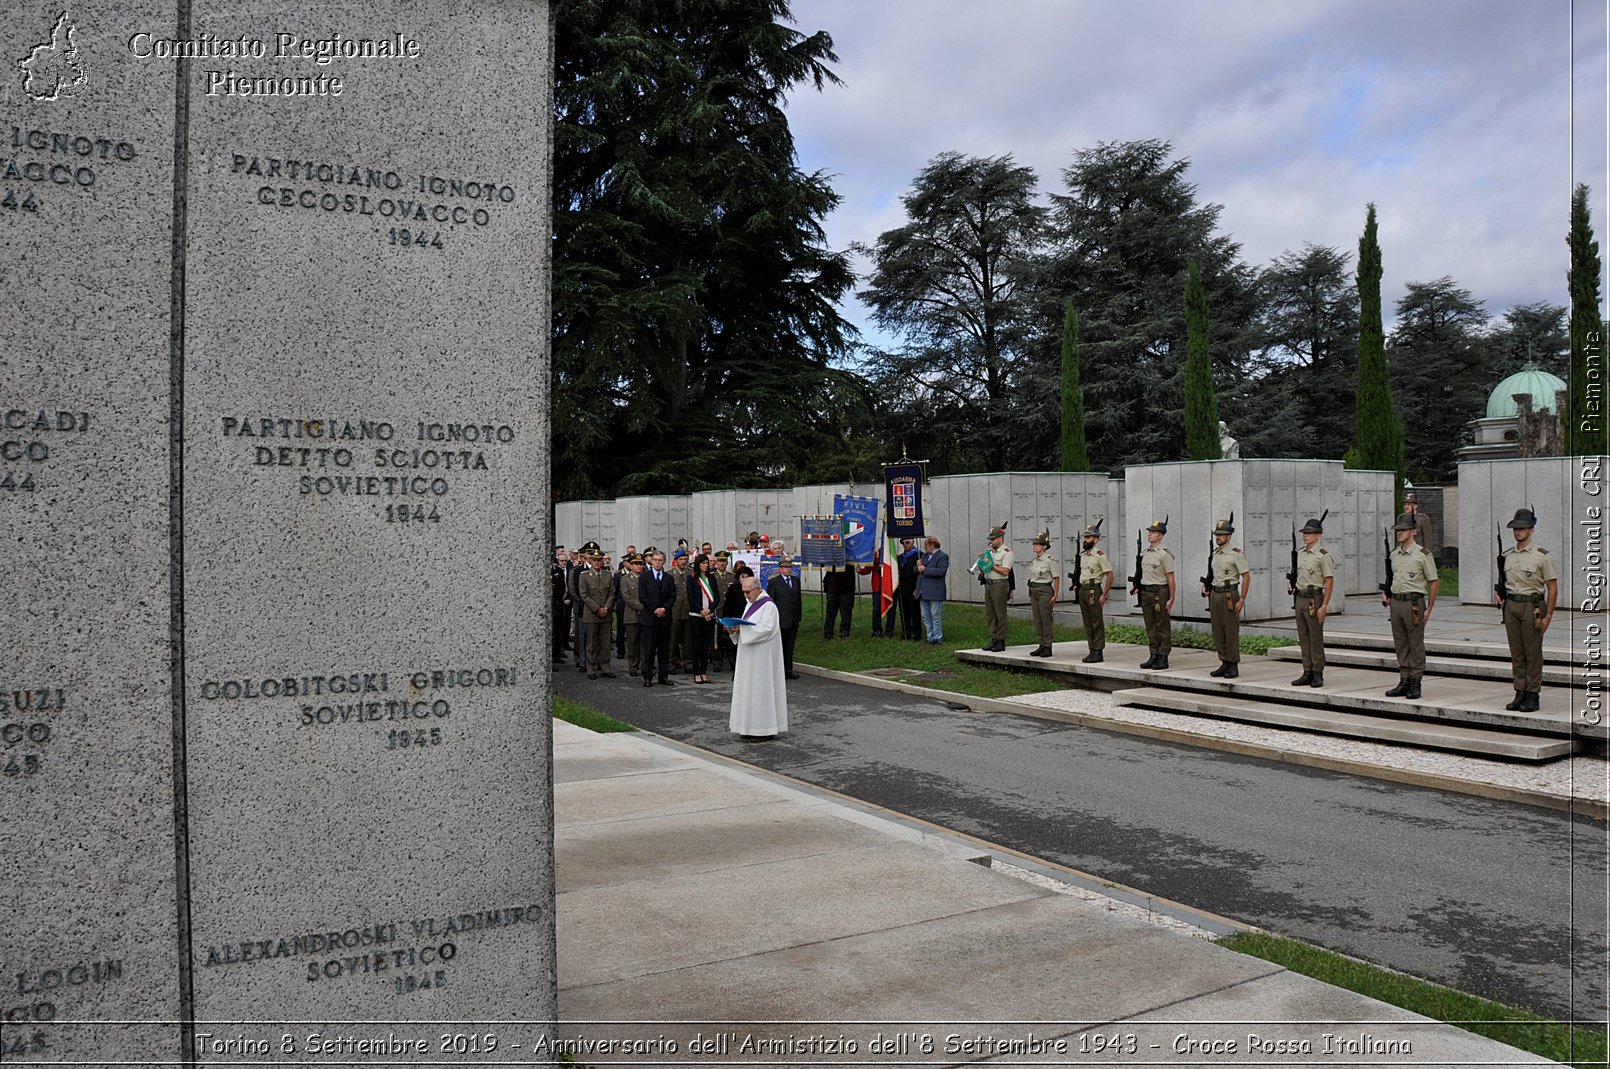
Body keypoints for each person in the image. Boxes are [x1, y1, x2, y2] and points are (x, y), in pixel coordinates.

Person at [1496, 507, 1557, 712]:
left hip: (1533, 607)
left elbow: (1552, 587)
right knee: (1517, 652)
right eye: (1515, 528)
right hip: (1512, 606)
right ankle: (1520, 691)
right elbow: (1505, 583)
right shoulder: (1508, 555)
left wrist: (1548, 615)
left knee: (1532, 653)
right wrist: (1500, 594)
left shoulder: (1542, 556)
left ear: (1531, 529)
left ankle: (1533, 694)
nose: (1518, 532)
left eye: (1522, 528)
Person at [1382, 512, 1439, 700]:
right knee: (1400, 642)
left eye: (1404, 530)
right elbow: (1392, 578)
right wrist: (1387, 592)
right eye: (1398, 530)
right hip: (1397, 602)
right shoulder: (1394, 555)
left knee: (1415, 643)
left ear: (1413, 532)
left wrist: (1429, 608)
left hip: (1414, 603)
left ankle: (1416, 681)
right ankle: (1404, 679)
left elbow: (1433, 582)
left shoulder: (1423, 555)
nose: (1399, 533)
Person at [728, 572, 787, 739]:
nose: (745, 596)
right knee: (747, 690)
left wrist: (743, 629)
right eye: (743, 592)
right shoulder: (750, 603)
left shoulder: (768, 606)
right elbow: (746, 624)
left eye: (748, 592)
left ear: (757, 589)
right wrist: (734, 629)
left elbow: (768, 629)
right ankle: (747, 727)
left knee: (761, 690)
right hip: (748, 655)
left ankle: (764, 729)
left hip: (763, 658)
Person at [1289, 513, 1334, 688]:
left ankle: (1317, 672)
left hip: (1314, 598)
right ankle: (1307, 671)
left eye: (1308, 533)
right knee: (1303, 637)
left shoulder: (1323, 556)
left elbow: (1329, 582)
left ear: (1318, 535)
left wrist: (1324, 606)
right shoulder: (1300, 553)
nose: (1305, 536)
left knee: (1315, 638)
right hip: (1300, 597)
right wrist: (1291, 583)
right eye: (1304, 533)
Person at [1204, 516, 1251, 679]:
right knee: (1218, 630)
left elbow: (1246, 577)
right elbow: (1213, 575)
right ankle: (1223, 661)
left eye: (1221, 535)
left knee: (1230, 630)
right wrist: (1207, 586)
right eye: (1217, 534)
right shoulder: (1215, 554)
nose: (1218, 537)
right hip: (1215, 593)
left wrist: (1242, 599)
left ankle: (1233, 664)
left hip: (1229, 594)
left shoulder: (1236, 554)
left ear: (1229, 536)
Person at [1073, 520, 1113, 663]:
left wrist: (1104, 594)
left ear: (1095, 540)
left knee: (1096, 621)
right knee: (1087, 621)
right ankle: (1091, 648)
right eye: (1085, 537)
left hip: (1094, 590)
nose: (1085, 540)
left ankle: (1098, 650)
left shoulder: (1099, 555)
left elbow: (1109, 574)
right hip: (1083, 590)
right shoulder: (1083, 555)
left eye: (1088, 537)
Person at [1137, 518, 1175, 670]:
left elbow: (1171, 578)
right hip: (1147, 592)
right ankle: (1153, 654)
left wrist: (1172, 598)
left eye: (1154, 532)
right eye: (1150, 532)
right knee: (1150, 624)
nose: (1150, 534)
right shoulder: (1145, 553)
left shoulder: (1164, 555)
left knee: (1162, 624)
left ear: (1161, 536)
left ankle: (1163, 656)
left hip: (1160, 592)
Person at [639, 549, 678, 687]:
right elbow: (642, 596)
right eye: (655, 560)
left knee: (664, 649)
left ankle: (663, 675)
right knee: (649, 649)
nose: (657, 562)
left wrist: (665, 608)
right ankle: (648, 676)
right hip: (650, 618)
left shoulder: (668, 578)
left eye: (660, 560)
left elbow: (673, 596)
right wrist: (654, 609)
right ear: (651, 560)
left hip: (665, 618)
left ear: (664, 561)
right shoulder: (644, 577)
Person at [577, 545, 617, 679]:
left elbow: (612, 593)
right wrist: (597, 608)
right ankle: (592, 668)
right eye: (594, 560)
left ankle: (605, 667)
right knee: (592, 643)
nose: (597, 562)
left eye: (599, 560)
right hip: (592, 614)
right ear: (591, 561)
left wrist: (606, 608)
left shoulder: (607, 575)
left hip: (605, 613)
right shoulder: (584, 576)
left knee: (605, 643)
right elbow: (584, 595)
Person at [765, 556, 803, 679]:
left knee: (790, 646)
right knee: (780, 645)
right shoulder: (774, 581)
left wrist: (799, 616)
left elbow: (798, 600)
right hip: (781, 619)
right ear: (780, 569)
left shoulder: (796, 580)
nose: (788, 569)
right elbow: (770, 601)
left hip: (793, 618)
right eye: (785, 567)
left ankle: (788, 669)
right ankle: (778, 670)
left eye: (790, 567)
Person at [978, 526, 1013, 652]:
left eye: (993, 539)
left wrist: (992, 565)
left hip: (1000, 584)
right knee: (990, 614)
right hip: (989, 583)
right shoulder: (991, 552)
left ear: (1000, 538)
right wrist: (982, 562)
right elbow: (983, 569)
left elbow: (1005, 571)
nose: (991, 542)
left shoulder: (1007, 552)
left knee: (1000, 613)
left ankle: (1001, 640)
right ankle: (994, 638)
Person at [687, 553, 720, 684]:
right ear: (697, 564)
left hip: (709, 615)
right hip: (696, 615)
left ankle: (704, 671)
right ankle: (696, 672)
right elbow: (691, 597)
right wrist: (701, 611)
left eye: (707, 563)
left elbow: (717, 597)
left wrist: (709, 610)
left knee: (706, 644)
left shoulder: (712, 578)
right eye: (703, 563)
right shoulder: (692, 578)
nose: (705, 565)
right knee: (696, 644)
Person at [1026, 530, 1059, 657]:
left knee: (1046, 619)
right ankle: (1041, 643)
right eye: (1034, 543)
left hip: (1045, 590)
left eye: (1038, 544)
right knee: (1037, 618)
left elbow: (1056, 578)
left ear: (1044, 546)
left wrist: (1055, 595)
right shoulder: (1036, 560)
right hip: (1034, 590)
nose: (1034, 546)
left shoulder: (1049, 560)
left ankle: (1048, 645)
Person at [916, 536, 950, 644]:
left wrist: (925, 569)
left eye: (925, 545)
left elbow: (940, 571)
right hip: (923, 590)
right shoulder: (924, 556)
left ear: (932, 545)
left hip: (935, 590)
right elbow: (916, 570)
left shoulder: (942, 556)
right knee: (925, 616)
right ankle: (929, 636)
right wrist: (918, 566)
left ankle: (937, 637)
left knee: (935, 616)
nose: (924, 548)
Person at [620, 553, 646, 677]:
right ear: (631, 566)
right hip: (632, 615)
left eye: (641, 564)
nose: (639, 566)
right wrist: (641, 607)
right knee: (632, 643)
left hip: (646, 615)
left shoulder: (646, 578)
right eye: (636, 564)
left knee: (644, 642)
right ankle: (633, 666)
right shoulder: (625, 579)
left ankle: (645, 665)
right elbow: (627, 597)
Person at [669, 548, 691, 673]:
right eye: (681, 559)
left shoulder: (690, 573)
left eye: (685, 559)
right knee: (673, 639)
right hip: (675, 611)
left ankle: (687, 663)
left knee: (688, 640)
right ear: (676, 561)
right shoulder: (670, 574)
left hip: (688, 611)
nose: (683, 562)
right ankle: (672, 662)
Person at [820, 562, 856, 639]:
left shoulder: (850, 551)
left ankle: (845, 633)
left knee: (846, 612)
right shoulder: (830, 551)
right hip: (832, 587)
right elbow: (822, 562)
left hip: (847, 586)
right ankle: (828, 633)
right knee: (830, 612)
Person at [896, 537, 922, 640]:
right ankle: (906, 632)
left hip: (913, 587)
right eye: (903, 543)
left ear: (913, 542)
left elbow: (920, 574)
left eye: (907, 542)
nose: (905, 545)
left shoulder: (919, 555)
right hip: (902, 588)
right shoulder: (900, 557)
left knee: (914, 612)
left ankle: (917, 633)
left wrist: (917, 588)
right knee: (904, 611)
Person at [1402, 491, 1435, 558]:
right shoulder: (1402, 519)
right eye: (1405, 504)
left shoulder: (1422, 519)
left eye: (1408, 504)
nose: (1406, 506)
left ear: (1415, 506)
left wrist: (1427, 556)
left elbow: (1428, 540)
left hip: (1417, 554)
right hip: (1405, 554)